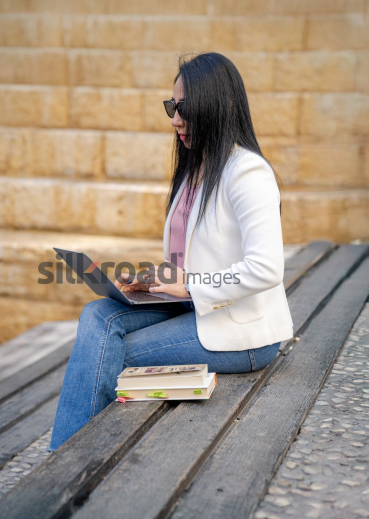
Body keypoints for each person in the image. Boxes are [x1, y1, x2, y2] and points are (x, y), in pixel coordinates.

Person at [48, 52, 294, 451]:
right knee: (97, 314)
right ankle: (70, 453)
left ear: (222, 106)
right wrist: (155, 280)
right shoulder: (194, 170)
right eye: (172, 108)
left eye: (185, 109)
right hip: (193, 308)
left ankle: (68, 458)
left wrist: (191, 287)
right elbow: (189, 259)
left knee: (109, 352)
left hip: (241, 332)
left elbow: (266, 268)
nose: (176, 119)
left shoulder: (247, 172)